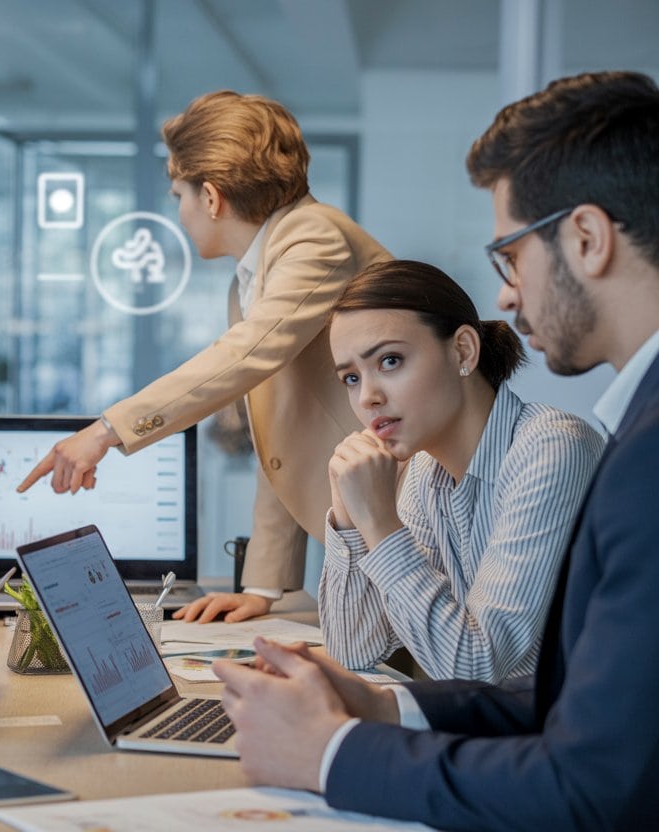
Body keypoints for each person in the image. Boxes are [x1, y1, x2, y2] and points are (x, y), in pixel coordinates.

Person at [212, 70, 659, 829]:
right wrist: (378, 691)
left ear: (585, 238)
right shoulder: (425, 470)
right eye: (351, 377)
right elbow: (363, 647)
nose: (508, 299)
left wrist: (330, 753)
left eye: (511, 257)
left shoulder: (610, 452)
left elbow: (588, 773)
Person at [18, 91, 391, 620]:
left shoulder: (314, 239)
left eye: (178, 195)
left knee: (422, 690)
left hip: (405, 518)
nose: (181, 210)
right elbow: (282, 435)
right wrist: (263, 589)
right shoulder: (251, 280)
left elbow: (242, 356)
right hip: (368, 519)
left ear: (211, 197)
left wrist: (104, 431)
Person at [320, 259, 601, 682]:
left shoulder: (552, 448)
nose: (368, 398)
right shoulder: (425, 469)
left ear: (463, 351)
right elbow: (353, 651)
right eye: (351, 378)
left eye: (390, 361)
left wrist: (379, 523)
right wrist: (348, 516)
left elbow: (474, 667)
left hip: (580, 734)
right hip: (500, 729)